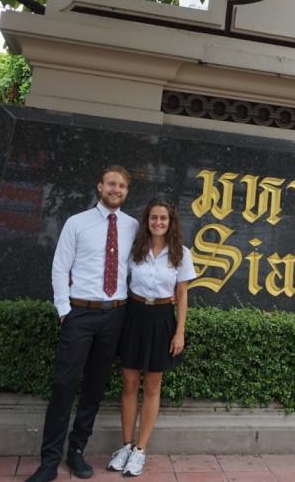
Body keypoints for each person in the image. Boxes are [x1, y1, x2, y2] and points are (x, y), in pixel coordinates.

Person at [26, 166, 140, 482]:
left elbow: (140, 268)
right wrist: (64, 310)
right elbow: (60, 268)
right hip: (80, 313)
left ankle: (76, 450)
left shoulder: (132, 226)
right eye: (111, 184)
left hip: (115, 314)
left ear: (127, 191)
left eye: (122, 186)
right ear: (99, 186)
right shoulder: (77, 223)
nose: (116, 189)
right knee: (65, 385)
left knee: (94, 387)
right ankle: (49, 460)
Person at [106, 197, 196, 477]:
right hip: (133, 315)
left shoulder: (181, 253)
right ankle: (126, 446)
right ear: (147, 221)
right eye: (153, 217)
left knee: (153, 386)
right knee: (130, 382)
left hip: (161, 320)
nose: (158, 222)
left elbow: (181, 296)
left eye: (163, 218)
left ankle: (140, 451)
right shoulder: (135, 249)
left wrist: (179, 331)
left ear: (171, 223)